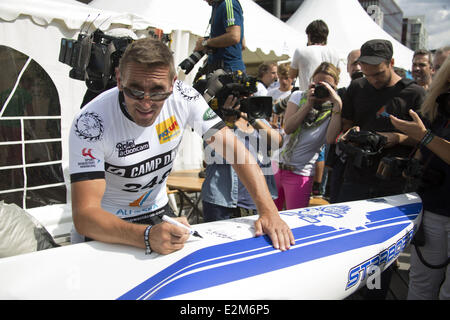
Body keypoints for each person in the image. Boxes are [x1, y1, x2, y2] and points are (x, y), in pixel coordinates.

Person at [69, 38, 294, 255]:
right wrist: (145, 236)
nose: (146, 103)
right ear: (119, 79)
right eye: (134, 91)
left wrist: (269, 211)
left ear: (174, 82)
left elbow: (236, 151)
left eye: (158, 92)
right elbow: (86, 216)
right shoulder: (90, 122)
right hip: (106, 223)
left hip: (157, 212)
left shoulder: (184, 97)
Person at [326, 39, 426, 299]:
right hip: (355, 176)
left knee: (383, 247)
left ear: (392, 64)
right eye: (367, 74)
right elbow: (346, 125)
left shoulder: (414, 93)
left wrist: (395, 138)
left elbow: (426, 139)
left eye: (378, 73)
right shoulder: (357, 87)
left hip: (391, 182)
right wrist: (351, 133)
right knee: (346, 241)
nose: (372, 80)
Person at [390, 56, 450, 300]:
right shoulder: (439, 106)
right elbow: (425, 144)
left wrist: (424, 137)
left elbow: (427, 140)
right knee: (422, 281)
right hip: (433, 206)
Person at [201, 95, 283, 221]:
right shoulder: (216, 123)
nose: (243, 102)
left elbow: (277, 143)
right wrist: (228, 121)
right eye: (239, 98)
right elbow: (212, 156)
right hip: (222, 203)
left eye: (248, 97)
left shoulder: (259, 121)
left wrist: (253, 118)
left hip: (258, 202)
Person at [274, 62, 342, 210]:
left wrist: (337, 104)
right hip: (276, 167)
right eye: (318, 84)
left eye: (326, 86)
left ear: (335, 87)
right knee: (270, 216)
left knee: (294, 220)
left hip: (300, 174)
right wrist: (308, 105)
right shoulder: (299, 96)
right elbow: (289, 128)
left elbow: (330, 139)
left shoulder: (334, 111)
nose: (321, 89)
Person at [289, 20, 342, 91]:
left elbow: (291, 75)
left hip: (306, 95)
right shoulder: (334, 52)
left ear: (309, 35)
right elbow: (337, 73)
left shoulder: (301, 51)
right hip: (329, 96)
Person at [195, 0, 245, 73]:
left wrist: (205, 43)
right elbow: (242, 44)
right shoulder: (218, 5)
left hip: (228, 70)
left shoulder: (228, 4)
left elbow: (234, 37)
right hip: (223, 69)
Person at [267, 62, 293, 129]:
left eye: (287, 78)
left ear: (292, 77)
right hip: (271, 132)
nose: (283, 81)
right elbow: (265, 116)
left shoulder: (295, 93)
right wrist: (269, 123)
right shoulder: (270, 93)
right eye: (281, 78)